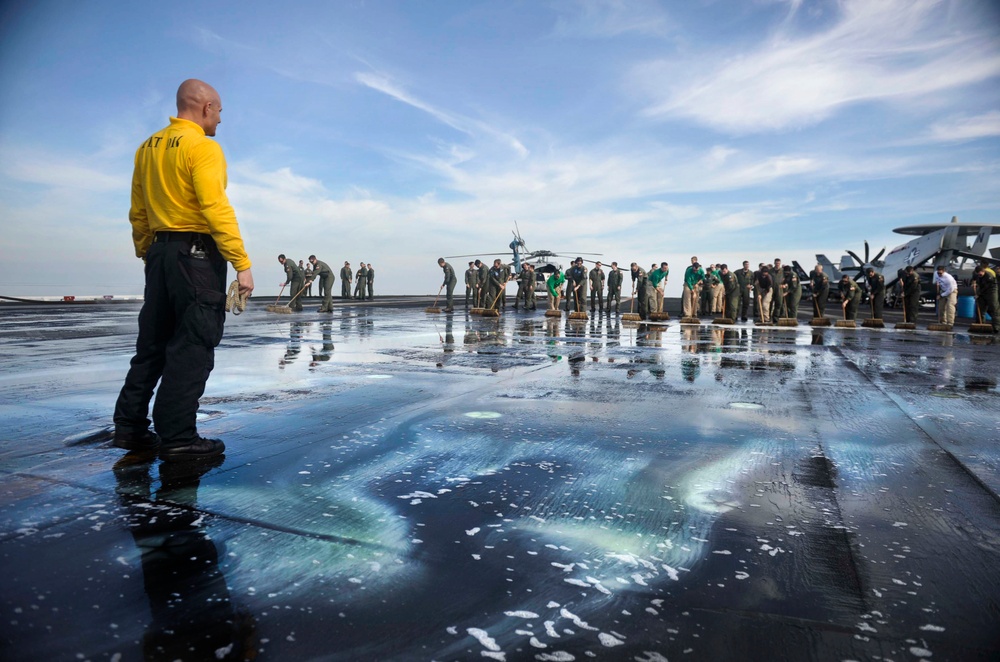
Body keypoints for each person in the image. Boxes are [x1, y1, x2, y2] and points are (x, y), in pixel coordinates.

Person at [113, 79, 254, 460]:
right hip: (197, 256)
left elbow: (138, 208)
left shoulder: (148, 147)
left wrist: (149, 251)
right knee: (192, 344)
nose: (221, 120)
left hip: (160, 253)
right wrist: (241, 263)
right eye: (220, 111)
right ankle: (177, 437)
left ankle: (129, 427)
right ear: (206, 107)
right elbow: (215, 207)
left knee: (152, 344)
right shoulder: (203, 147)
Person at [972, 263, 1000, 333]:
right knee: (980, 308)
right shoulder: (976, 274)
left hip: (991, 291)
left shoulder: (989, 276)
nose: (979, 274)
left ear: (983, 271)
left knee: (994, 308)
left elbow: (986, 287)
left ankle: (996, 327)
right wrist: (973, 283)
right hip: (982, 291)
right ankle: (980, 325)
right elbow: (973, 279)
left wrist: (978, 294)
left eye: (981, 273)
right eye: (978, 274)